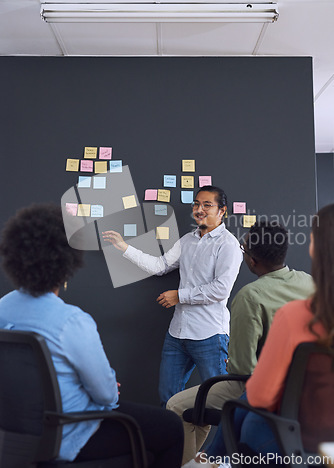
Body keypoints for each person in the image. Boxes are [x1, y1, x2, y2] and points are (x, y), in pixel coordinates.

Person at [0, 203, 183, 467]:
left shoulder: (3, 308)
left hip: (14, 436)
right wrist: (106, 388)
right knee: (170, 427)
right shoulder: (71, 321)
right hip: (69, 432)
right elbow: (107, 397)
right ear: (66, 265)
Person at [167, 221, 314, 466]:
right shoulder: (310, 283)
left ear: (252, 260)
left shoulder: (251, 296)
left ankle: (195, 464)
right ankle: (207, 462)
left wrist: (235, 358)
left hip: (258, 387)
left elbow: (243, 369)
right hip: (308, 387)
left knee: (176, 406)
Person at [200, 203, 334, 465]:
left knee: (244, 407)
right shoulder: (307, 284)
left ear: (315, 250)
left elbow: (257, 389)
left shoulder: (295, 314)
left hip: (304, 439)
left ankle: (208, 461)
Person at [103, 185, 242, 406]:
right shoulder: (187, 240)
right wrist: (124, 247)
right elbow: (160, 266)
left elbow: (221, 289)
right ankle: (179, 441)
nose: (200, 209)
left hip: (210, 335)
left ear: (222, 211)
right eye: (197, 204)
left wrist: (180, 296)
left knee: (218, 400)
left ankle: (219, 441)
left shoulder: (229, 245)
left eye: (207, 205)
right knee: (168, 399)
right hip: (177, 335)